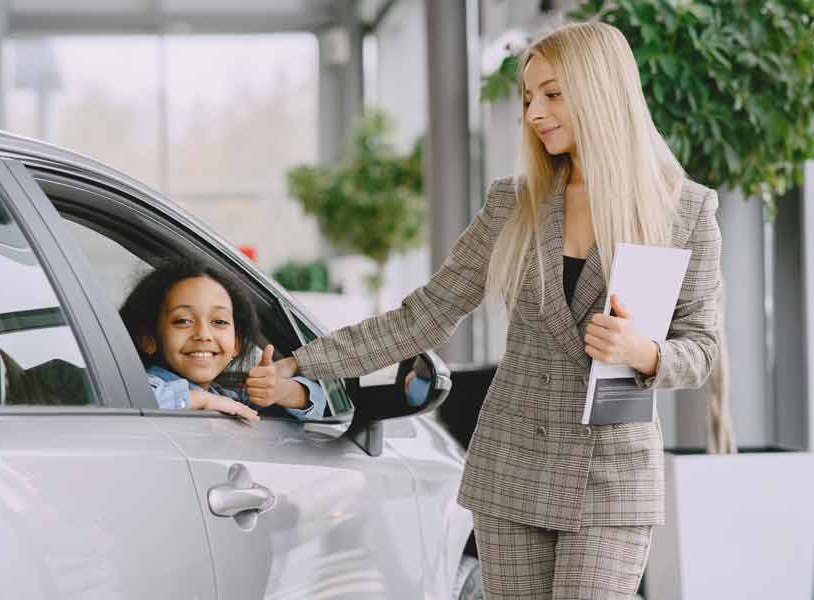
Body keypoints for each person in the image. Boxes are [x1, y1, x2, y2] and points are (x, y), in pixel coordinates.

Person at [274, 21, 721, 599]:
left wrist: (646, 352)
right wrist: (303, 363)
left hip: (610, 476)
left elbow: (702, 347)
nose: (535, 112)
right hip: (513, 465)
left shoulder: (683, 209)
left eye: (553, 94)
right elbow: (423, 315)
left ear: (602, 90)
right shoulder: (514, 202)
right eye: (529, 97)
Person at [119, 258, 326, 423]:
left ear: (236, 343)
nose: (203, 334)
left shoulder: (228, 394)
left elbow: (318, 405)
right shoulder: (143, 385)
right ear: (148, 340)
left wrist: (279, 390)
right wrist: (201, 401)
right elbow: (128, 403)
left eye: (219, 321)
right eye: (183, 321)